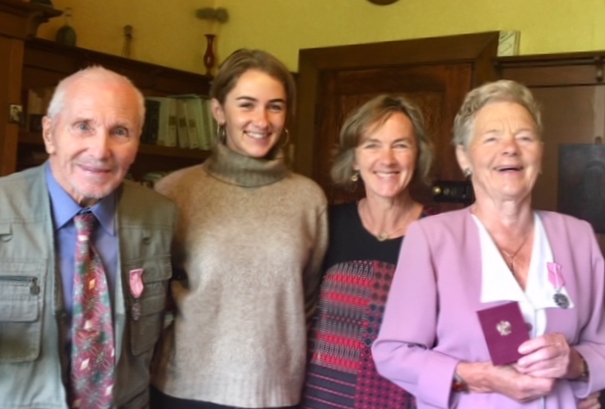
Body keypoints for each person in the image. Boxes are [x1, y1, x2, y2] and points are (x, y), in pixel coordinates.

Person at [372, 79, 605, 408]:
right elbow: (393, 353)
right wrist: (477, 375)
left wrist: (577, 364)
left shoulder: (577, 236)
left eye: (524, 137)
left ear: (539, 152)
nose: (510, 148)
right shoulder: (431, 238)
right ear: (464, 157)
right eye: (492, 138)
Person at [150, 49, 329, 409]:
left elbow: (307, 299)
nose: (261, 120)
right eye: (246, 104)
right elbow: (151, 295)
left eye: (275, 106)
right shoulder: (174, 191)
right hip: (186, 389)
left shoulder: (308, 199)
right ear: (219, 111)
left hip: (277, 392)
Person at [0, 66, 178, 408]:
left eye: (120, 132)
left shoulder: (160, 217)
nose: (100, 150)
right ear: (50, 133)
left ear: (137, 142)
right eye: (83, 126)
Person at [299, 94, 434, 409]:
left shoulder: (441, 236)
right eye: (372, 145)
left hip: (403, 401)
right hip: (320, 399)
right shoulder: (325, 225)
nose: (387, 159)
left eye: (400, 145)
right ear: (354, 160)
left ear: (418, 155)